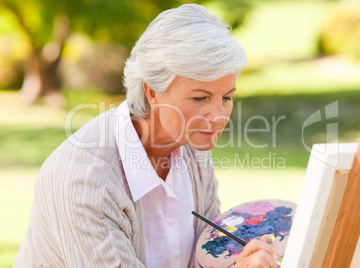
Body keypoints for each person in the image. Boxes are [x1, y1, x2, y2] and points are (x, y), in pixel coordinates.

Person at [14, 4, 279, 268]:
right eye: (200, 97)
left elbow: (207, 256)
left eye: (227, 97)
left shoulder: (194, 148)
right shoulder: (86, 181)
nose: (219, 116)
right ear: (152, 91)